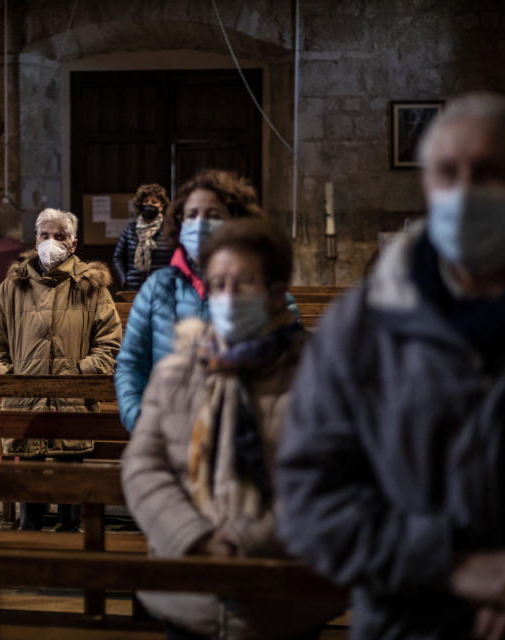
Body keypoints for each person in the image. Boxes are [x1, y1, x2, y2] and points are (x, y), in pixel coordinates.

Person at [276, 93, 505, 640]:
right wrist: (449, 563)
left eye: (493, 174)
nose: (467, 193)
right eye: (449, 173)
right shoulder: (361, 328)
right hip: (412, 623)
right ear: (428, 188)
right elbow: (308, 500)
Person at [122, 220, 340, 639]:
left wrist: (244, 544)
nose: (227, 297)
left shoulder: (319, 374)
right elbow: (142, 467)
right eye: (218, 284)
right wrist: (194, 537)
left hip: (283, 598)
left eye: (243, 283)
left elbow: (329, 476)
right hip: (189, 594)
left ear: (275, 294)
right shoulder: (177, 374)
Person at [0, 208, 122, 531]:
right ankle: (30, 535)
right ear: (35, 241)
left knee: (70, 479)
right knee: (29, 481)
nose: (51, 242)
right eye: (44, 235)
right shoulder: (12, 286)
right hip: (24, 401)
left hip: (73, 400)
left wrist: (78, 374)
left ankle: (70, 536)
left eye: (59, 236)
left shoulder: (91, 287)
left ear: (73, 244)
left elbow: (109, 343)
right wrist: (11, 378)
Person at [115, 170, 266, 432]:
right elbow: (130, 364)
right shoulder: (156, 289)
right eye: (192, 215)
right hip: (167, 436)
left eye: (214, 215)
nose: (200, 225)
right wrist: (141, 422)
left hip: (241, 443)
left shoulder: (265, 290)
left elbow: (284, 375)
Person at [112, 183, 174, 290]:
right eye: (146, 201)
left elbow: (178, 258)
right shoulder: (130, 229)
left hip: (163, 288)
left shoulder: (170, 230)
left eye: (154, 202)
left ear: (161, 206)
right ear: (140, 205)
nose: (149, 204)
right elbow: (117, 258)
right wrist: (124, 279)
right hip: (134, 288)